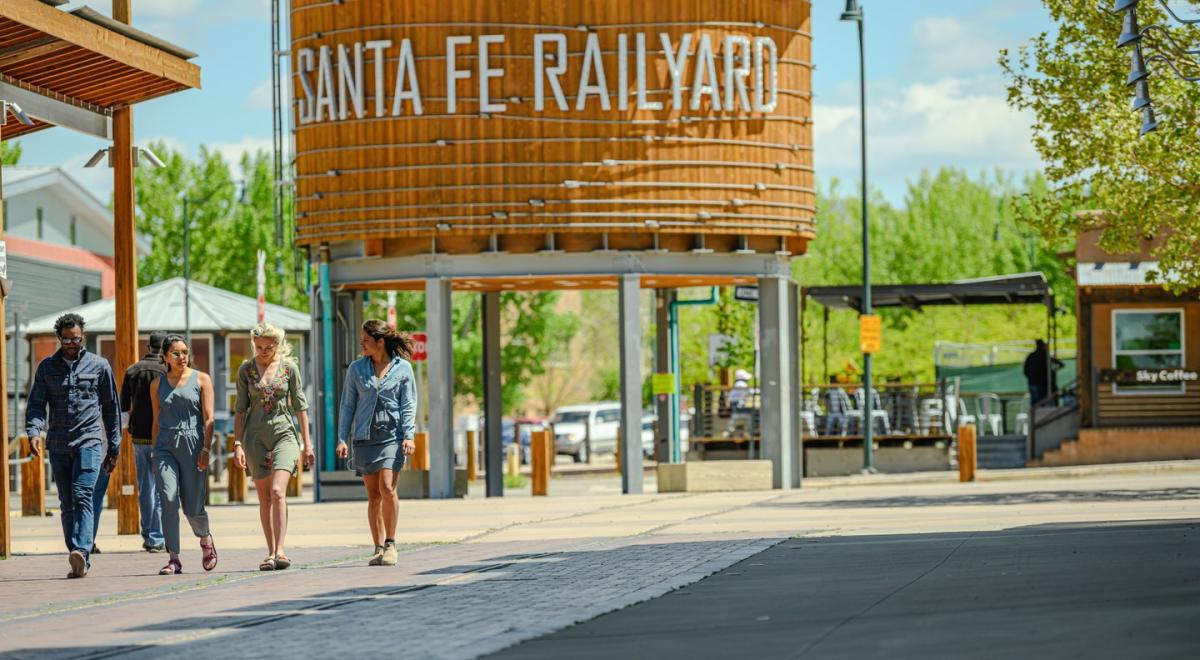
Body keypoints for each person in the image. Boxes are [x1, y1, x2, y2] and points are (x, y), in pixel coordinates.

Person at [24, 313, 120, 578]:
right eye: (66, 339)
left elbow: (112, 408)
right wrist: (34, 432)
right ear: (59, 338)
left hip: (89, 441)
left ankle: (81, 551)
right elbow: (36, 405)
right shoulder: (46, 368)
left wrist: (114, 445)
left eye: (75, 339)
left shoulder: (99, 366)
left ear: (83, 336)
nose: (71, 344)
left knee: (83, 495)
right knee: (66, 503)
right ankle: (76, 556)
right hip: (58, 443)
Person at [233, 322, 314, 571]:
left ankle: (281, 551)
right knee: (265, 497)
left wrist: (307, 444)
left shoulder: (289, 369)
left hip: (284, 434)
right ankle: (270, 552)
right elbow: (240, 410)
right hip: (254, 437)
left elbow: (300, 405)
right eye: (258, 347)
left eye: (268, 347)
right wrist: (238, 443)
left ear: (277, 345)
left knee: (278, 491)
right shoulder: (246, 370)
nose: (263, 352)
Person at [337, 319, 417, 567]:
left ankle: (391, 543)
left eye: (366, 341)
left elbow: (408, 404)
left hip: (392, 436)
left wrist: (409, 435)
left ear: (380, 342)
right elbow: (347, 405)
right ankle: (378, 547)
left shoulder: (403, 369)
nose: (362, 345)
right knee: (373, 495)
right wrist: (342, 437)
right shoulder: (356, 369)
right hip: (364, 437)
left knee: (387, 487)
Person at [151, 335, 218, 575]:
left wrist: (206, 449)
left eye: (185, 352)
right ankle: (173, 557)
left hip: (193, 445)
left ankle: (205, 538)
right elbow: (156, 421)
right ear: (165, 357)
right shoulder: (157, 384)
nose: (182, 357)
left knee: (192, 506)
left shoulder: (202, 379)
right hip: (164, 447)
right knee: (168, 499)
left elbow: (209, 418)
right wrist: (153, 450)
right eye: (176, 353)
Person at [120, 331, 168, 553]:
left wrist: (120, 435)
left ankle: (150, 536)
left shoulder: (132, 370)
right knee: (162, 488)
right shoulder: (168, 370)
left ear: (148, 346)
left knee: (146, 487)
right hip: (163, 436)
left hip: (139, 436)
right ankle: (158, 536)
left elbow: (123, 407)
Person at [1023, 339, 1063, 406]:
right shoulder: (1045, 356)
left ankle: (1036, 415)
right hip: (1042, 383)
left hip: (1033, 382)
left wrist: (1030, 377)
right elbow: (1060, 364)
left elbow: (1025, 370)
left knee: (1035, 404)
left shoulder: (1031, 356)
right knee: (1042, 403)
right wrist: (1053, 371)